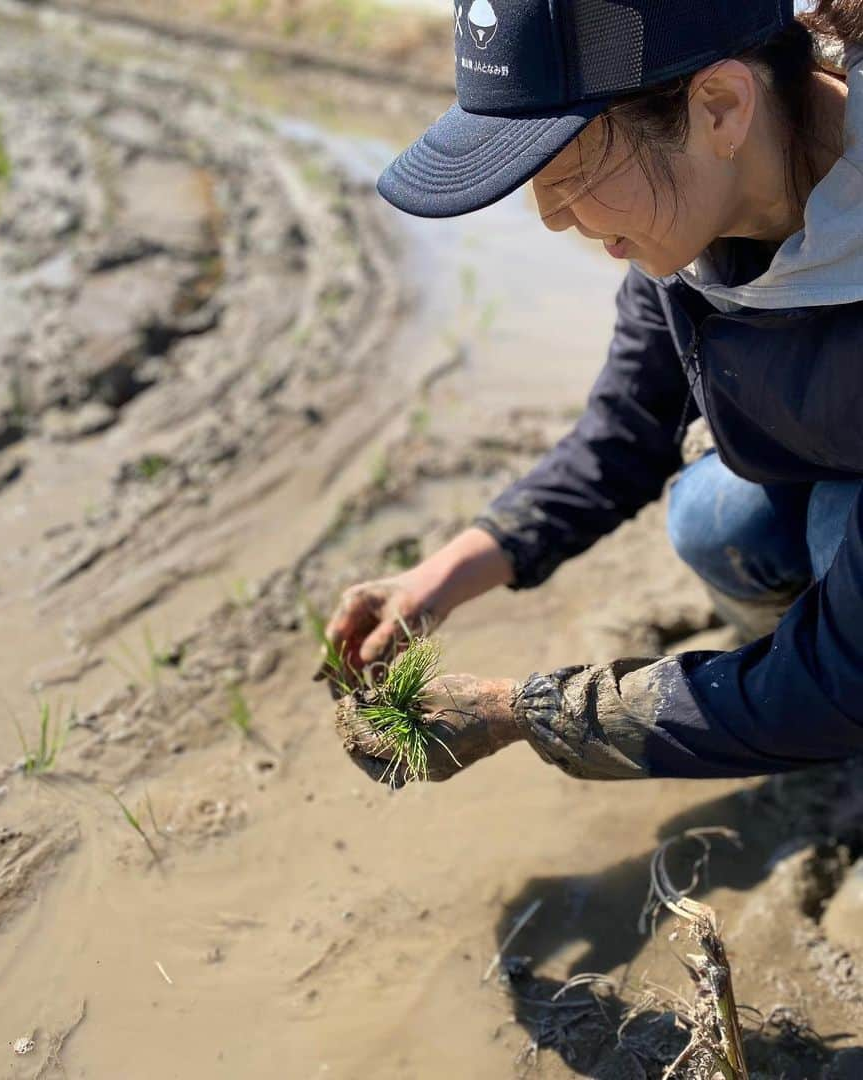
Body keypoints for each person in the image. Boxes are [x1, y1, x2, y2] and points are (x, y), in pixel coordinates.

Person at [325, 0, 863, 785]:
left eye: (570, 172)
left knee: (832, 545)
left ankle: (812, 722)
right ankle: (786, 689)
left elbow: (834, 689)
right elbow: (627, 431)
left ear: (720, 107)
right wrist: (437, 578)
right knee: (715, 517)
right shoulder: (696, 217)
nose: (551, 219)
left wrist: (523, 712)